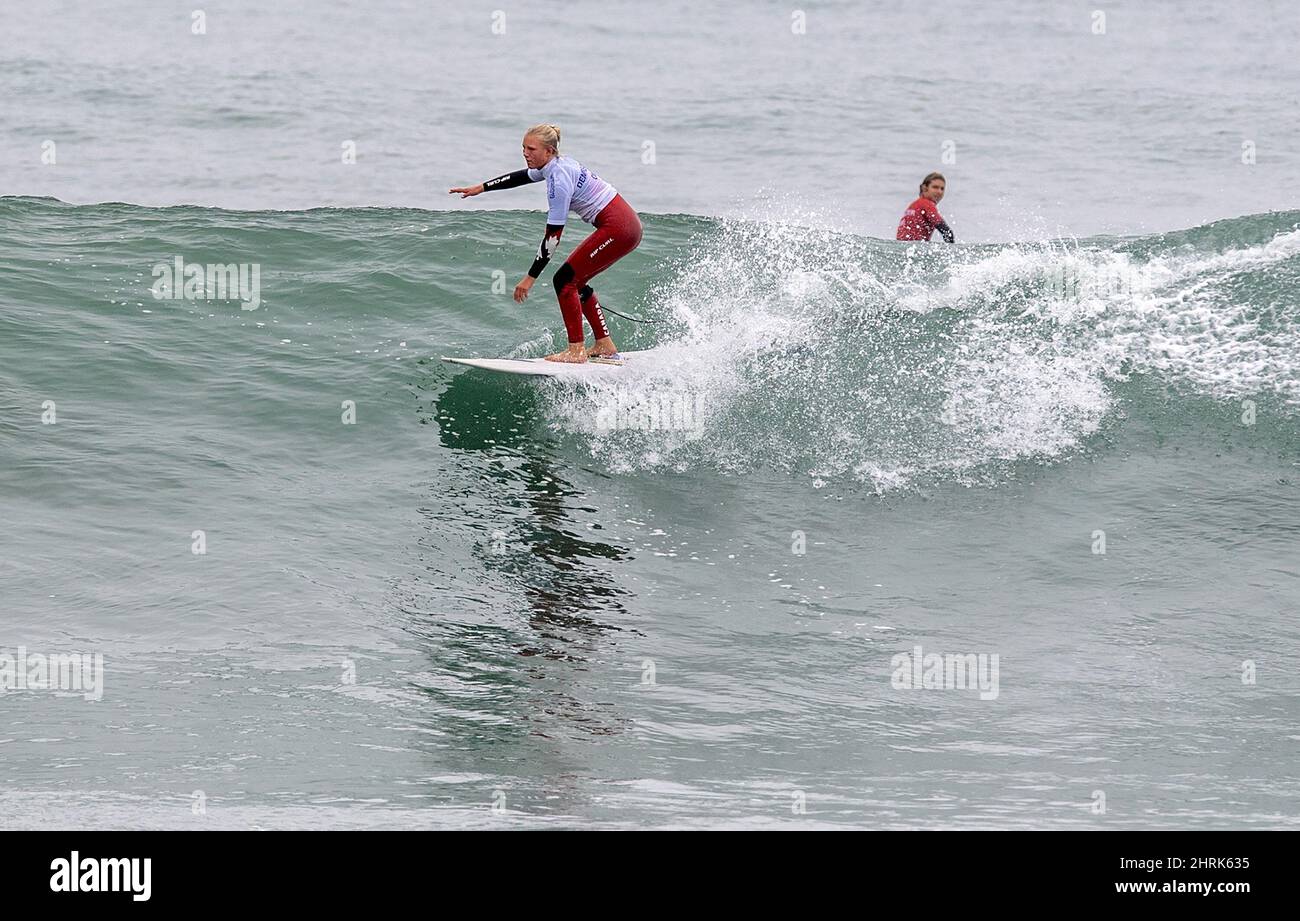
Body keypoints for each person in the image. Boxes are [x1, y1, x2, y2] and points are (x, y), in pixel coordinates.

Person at [450, 124, 642, 363]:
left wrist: (530, 278)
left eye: (531, 148)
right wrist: (482, 187)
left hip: (620, 229)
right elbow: (522, 177)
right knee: (577, 282)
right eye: (523, 147)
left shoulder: (558, 180)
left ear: (549, 151)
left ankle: (576, 351)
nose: (525, 153)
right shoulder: (556, 165)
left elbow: (553, 237)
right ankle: (604, 344)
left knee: (564, 281)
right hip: (625, 226)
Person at [896, 172, 955, 243]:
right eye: (935, 187)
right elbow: (946, 231)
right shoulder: (927, 204)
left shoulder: (914, 205)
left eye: (942, 189)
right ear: (924, 188)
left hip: (901, 246)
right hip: (915, 246)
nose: (939, 192)